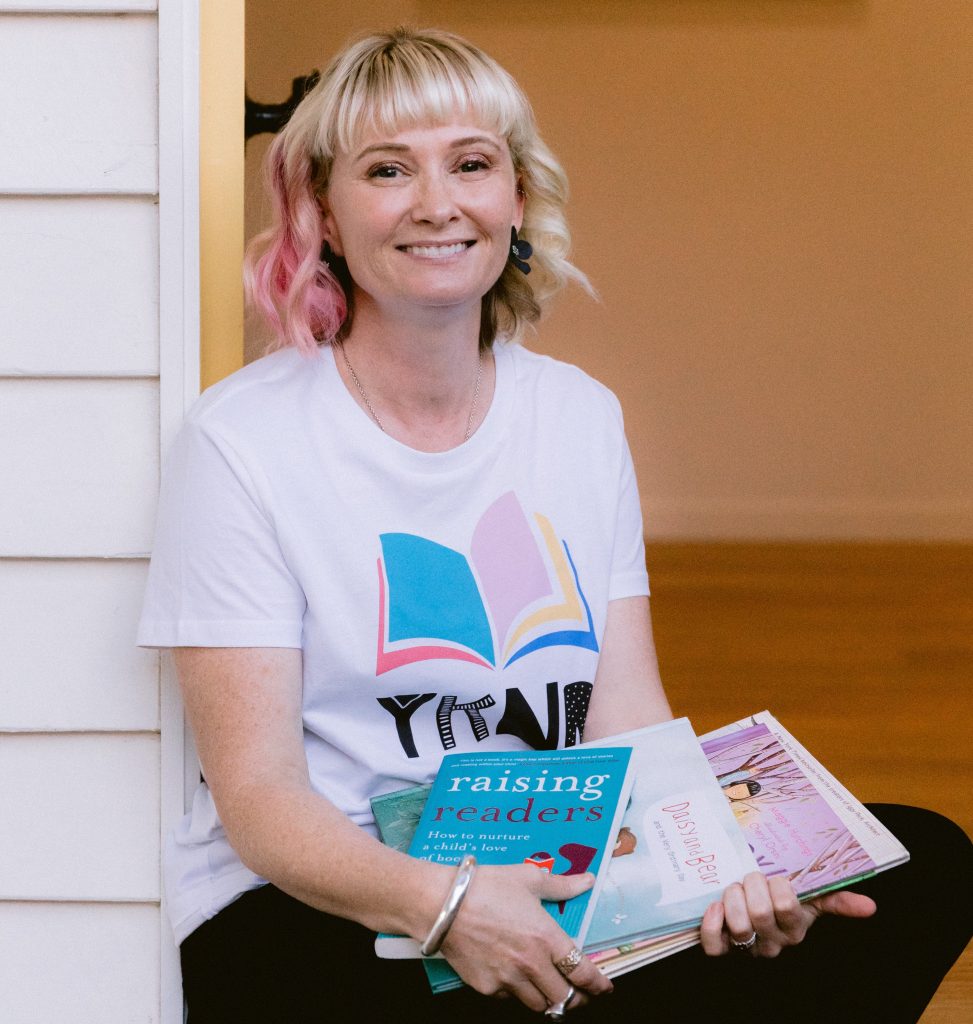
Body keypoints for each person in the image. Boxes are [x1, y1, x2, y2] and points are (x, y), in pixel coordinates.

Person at [138, 27, 972, 1024]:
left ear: (517, 198)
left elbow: (623, 718)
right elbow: (262, 801)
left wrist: (716, 870)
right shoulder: (241, 442)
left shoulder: (578, 416)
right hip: (328, 897)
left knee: (915, 861)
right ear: (322, 207)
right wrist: (447, 905)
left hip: (556, 865)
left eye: (471, 164)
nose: (437, 203)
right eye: (388, 169)